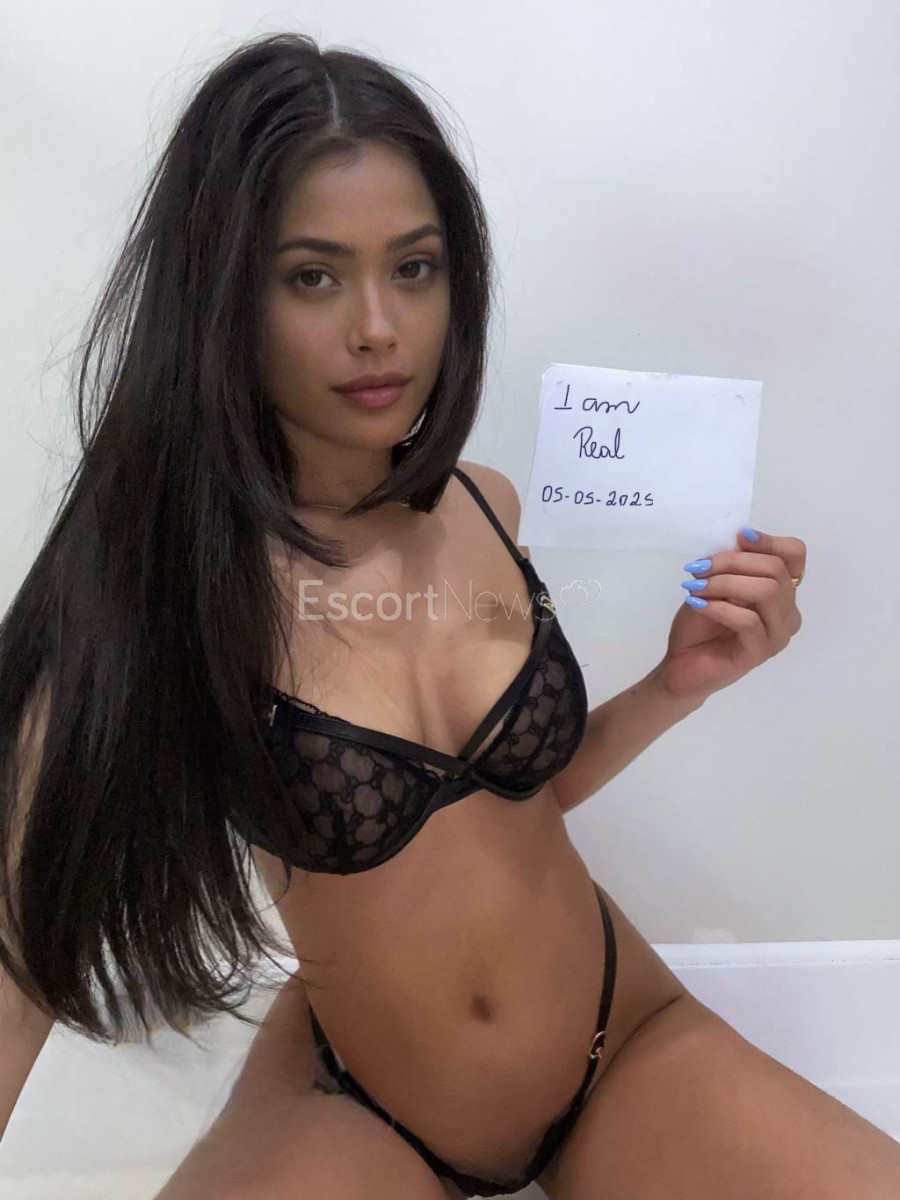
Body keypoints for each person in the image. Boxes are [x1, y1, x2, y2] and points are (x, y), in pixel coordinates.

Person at [2, 31, 898, 1200]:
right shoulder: (160, 596)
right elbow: (17, 962)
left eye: (415, 267)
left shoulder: (486, 503)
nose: (379, 327)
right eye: (313, 276)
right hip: (366, 1102)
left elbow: (508, 809)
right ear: (221, 296)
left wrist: (677, 686)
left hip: (621, 1041)